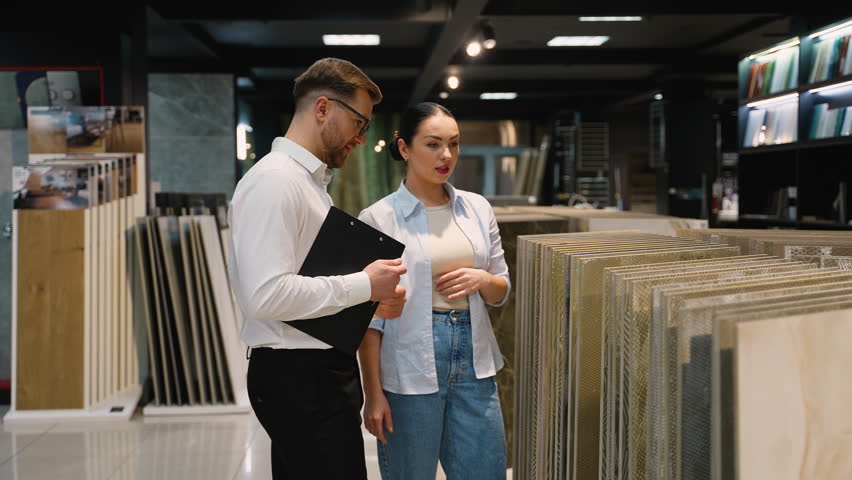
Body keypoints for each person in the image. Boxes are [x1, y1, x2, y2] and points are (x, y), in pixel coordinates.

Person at [227, 57, 407, 480]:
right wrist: (364, 285)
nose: (361, 139)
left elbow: (304, 284)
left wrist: (367, 303)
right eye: (359, 123)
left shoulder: (306, 184)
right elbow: (266, 296)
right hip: (298, 376)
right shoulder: (275, 181)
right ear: (322, 108)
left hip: (314, 372)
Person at [358, 102, 511, 479]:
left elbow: (501, 288)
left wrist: (481, 280)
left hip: (474, 358)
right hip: (409, 361)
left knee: (486, 471)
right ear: (405, 148)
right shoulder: (380, 218)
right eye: (433, 144)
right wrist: (373, 394)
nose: (446, 156)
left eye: (454, 144)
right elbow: (369, 318)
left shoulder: (476, 208)